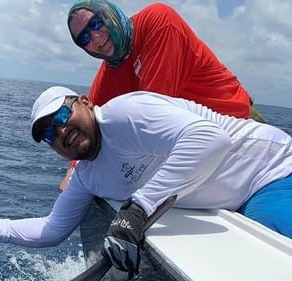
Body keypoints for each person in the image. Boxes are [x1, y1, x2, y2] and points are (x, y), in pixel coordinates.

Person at [0, 86, 292, 278]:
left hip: (270, 172)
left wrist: (137, 209)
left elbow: (212, 140)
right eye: (49, 134)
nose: (61, 131)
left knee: (271, 266)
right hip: (229, 204)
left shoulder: (124, 114)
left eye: (62, 116)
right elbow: (51, 230)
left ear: (85, 101)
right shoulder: (85, 176)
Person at [60, 0, 265, 190]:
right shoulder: (108, 75)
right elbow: (89, 121)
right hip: (201, 147)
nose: (95, 39)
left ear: (108, 13)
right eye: (84, 38)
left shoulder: (158, 21)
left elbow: (153, 119)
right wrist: (74, 170)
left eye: (96, 24)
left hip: (241, 127)